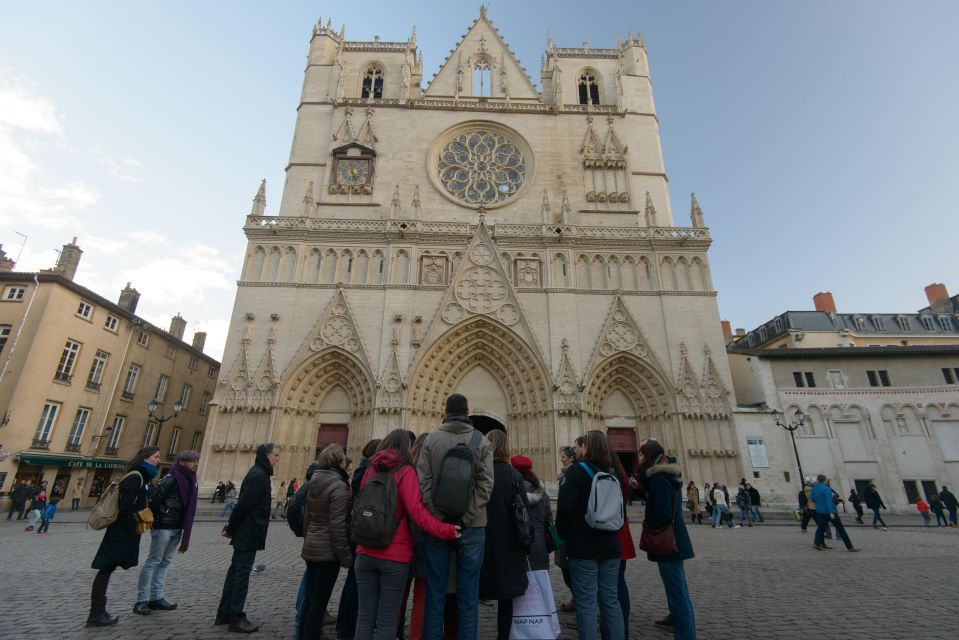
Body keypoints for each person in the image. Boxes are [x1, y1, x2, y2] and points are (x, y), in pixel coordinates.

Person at [354, 430, 459, 640]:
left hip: (364, 552)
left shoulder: (370, 469)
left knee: (364, 618)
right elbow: (417, 513)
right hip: (394, 556)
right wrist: (446, 530)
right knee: (386, 621)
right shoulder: (406, 472)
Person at [416, 393, 494, 640]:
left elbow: (423, 484)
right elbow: (486, 486)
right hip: (472, 527)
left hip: (437, 527)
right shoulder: (482, 442)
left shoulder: (431, 440)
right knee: (469, 596)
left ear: (445, 411)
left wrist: (437, 516)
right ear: (468, 411)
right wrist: (466, 518)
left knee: (435, 594)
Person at [556, 430, 624, 640]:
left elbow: (564, 510)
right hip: (611, 545)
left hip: (582, 545)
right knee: (611, 601)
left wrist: (562, 536)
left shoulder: (575, 471)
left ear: (587, 448)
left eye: (580, 446)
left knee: (586, 602)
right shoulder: (614, 474)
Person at [87, 447, 160, 628]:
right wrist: (136, 521)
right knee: (105, 569)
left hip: (123, 531)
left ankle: (98, 612)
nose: (158, 460)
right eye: (156, 457)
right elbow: (125, 508)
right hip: (120, 532)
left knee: (107, 569)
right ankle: (96, 613)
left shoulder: (142, 477)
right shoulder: (136, 477)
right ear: (145, 458)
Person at [635, 440, 696, 639]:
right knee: (680, 589)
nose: (639, 458)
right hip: (677, 539)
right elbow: (661, 500)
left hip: (669, 542)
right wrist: (641, 490)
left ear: (649, 456)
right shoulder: (670, 476)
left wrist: (648, 527)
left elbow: (662, 512)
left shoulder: (659, 478)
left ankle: (685, 635)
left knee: (677, 592)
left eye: (642, 454)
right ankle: (682, 627)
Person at [216, 443, 280, 633]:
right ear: (266, 456)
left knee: (235, 571)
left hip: (247, 531)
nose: (278, 459)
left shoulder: (258, 473)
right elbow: (243, 505)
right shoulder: (259, 476)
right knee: (241, 574)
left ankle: (224, 613)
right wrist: (230, 528)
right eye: (276, 455)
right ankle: (236, 618)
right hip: (248, 532)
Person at [134, 449, 200, 615]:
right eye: (192, 461)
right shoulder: (171, 478)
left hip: (178, 527)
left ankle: (157, 597)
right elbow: (155, 499)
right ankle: (142, 600)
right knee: (153, 562)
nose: (196, 464)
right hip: (164, 526)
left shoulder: (191, 480)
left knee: (164, 563)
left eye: (196, 461)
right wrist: (160, 517)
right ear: (182, 462)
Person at [479, 430, 530, 640]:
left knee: (472, 591)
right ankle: (503, 636)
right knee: (506, 598)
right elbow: (524, 512)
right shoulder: (514, 475)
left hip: (481, 540)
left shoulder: (479, 472)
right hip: (509, 544)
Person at [300, 444, 351, 640]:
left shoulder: (313, 481)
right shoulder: (338, 486)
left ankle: (303, 632)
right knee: (318, 602)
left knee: (310, 597)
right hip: (327, 551)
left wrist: (308, 539)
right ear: (339, 462)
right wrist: (345, 556)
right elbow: (337, 526)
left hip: (312, 546)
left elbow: (307, 518)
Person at [336, 437, 381, 640]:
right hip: (364, 536)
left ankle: (343, 624)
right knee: (357, 585)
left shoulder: (359, 473)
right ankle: (348, 628)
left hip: (357, 534)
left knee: (353, 582)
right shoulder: (368, 475)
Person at [811, 474, 860, 552]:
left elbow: (812, 499)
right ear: (824, 480)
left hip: (820, 511)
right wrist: (831, 512)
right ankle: (850, 547)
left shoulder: (814, 488)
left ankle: (817, 543)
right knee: (840, 529)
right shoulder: (826, 489)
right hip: (829, 511)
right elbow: (828, 501)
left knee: (820, 528)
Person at [557, 445, 578, 613]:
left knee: (569, 566)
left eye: (563, 456)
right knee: (565, 566)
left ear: (571, 458)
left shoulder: (573, 474)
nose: (561, 459)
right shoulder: (565, 474)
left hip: (571, 531)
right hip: (568, 529)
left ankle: (579, 599)